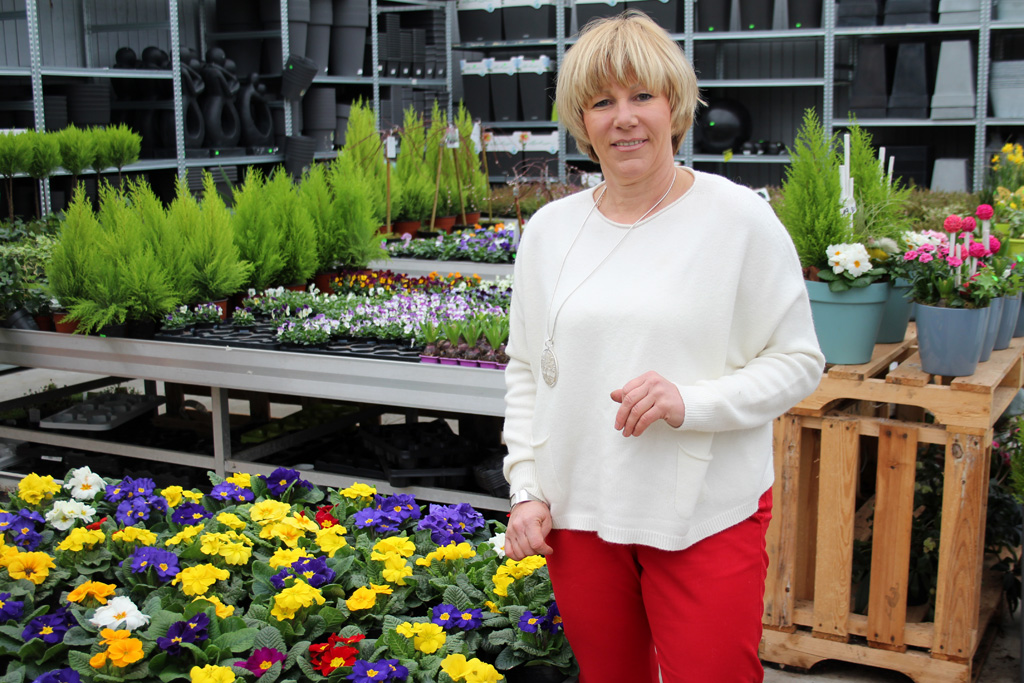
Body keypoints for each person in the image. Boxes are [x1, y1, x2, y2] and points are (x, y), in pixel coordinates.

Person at [501, 11, 826, 683]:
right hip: (581, 508)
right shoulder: (550, 231)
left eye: (641, 96)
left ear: (673, 106)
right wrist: (527, 486)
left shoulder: (737, 219)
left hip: (704, 504)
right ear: (581, 121)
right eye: (602, 102)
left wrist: (691, 401)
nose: (624, 118)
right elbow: (529, 368)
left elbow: (799, 361)